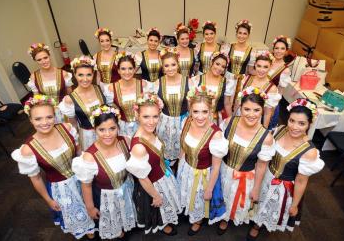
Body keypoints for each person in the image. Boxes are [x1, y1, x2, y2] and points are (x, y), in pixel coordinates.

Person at [11, 94, 95, 239]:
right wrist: (48, 200)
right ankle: (88, 230)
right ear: (30, 120)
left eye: (49, 117)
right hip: (61, 189)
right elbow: (36, 179)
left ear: (55, 115)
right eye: (38, 119)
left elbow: (79, 152)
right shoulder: (28, 149)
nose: (44, 122)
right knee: (81, 218)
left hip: (82, 178)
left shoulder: (67, 128)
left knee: (92, 206)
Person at [252, 98, 325, 238]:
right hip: (267, 175)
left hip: (283, 187)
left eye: (301, 123)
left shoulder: (309, 152)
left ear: (310, 124)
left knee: (271, 208)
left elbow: (301, 181)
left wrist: (295, 205)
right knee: (259, 200)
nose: (294, 127)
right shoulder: (279, 130)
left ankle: (260, 225)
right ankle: (255, 220)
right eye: (292, 121)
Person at [72, 105, 136, 240]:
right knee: (112, 217)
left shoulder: (126, 141)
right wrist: (90, 207)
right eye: (102, 129)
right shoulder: (89, 157)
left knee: (124, 212)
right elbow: (86, 185)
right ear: (95, 130)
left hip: (126, 187)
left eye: (112, 128)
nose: (108, 134)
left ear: (118, 127)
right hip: (106, 197)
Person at [218, 89, 274, 238]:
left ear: (262, 111)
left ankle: (230, 217)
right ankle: (223, 218)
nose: (251, 114)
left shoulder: (266, 137)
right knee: (223, 195)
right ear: (240, 108)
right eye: (247, 109)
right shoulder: (229, 122)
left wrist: (256, 188)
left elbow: (262, 165)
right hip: (224, 170)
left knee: (235, 199)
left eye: (256, 110)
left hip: (246, 176)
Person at [126, 93, 182, 235]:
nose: (151, 122)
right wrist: (156, 195)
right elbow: (143, 178)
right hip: (152, 185)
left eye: (155, 116)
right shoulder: (139, 147)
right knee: (158, 208)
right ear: (137, 115)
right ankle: (162, 225)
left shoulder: (150, 131)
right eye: (146, 117)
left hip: (163, 176)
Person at [177, 86, 229, 235]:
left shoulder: (216, 135)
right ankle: (188, 209)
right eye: (196, 111)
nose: (200, 116)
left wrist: (209, 189)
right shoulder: (187, 122)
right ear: (190, 111)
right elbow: (183, 145)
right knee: (186, 193)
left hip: (202, 175)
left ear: (211, 111)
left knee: (200, 198)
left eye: (204, 112)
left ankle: (198, 219)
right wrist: (181, 163)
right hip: (186, 167)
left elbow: (216, 167)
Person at [150, 48, 189, 164]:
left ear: (178, 64)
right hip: (164, 123)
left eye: (173, 64)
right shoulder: (157, 83)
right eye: (166, 66)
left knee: (182, 152)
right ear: (162, 67)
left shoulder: (188, 82)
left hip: (183, 122)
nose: (170, 68)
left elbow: (192, 106)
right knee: (165, 151)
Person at [59, 56, 106, 152]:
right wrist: (77, 143)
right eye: (80, 75)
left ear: (93, 75)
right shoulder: (69, 99)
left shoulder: (100, 88)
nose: (85, 79)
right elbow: (73, 124)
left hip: (106, 133)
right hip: (88, 137)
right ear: (75, 75)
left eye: (89, 75)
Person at [105, 52, 151, 138]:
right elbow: (111, 111)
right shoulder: (111, 88)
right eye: (123, 69)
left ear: (134, 69)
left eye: (130, 68)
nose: (127, 72)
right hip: (122, 128)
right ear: (118, 70)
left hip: (143, 127)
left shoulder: (143, 85)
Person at [26, 43, 72, 123]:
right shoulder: (34, 77)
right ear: (35, 61)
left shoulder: (63, 74)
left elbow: (70, 94)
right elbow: (37, 97)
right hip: (47, 114)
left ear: (49, 56)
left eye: (45, 57)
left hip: (64, 111)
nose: (44, 61)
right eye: (39, 60)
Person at [234, 52, 281, 129]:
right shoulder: (246, 79)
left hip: (254, 120)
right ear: (255, 65)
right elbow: (238, 102)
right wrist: (233, 118)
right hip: (240, 116)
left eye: (265, 67)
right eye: (259, 66)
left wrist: (263, 132)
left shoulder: (272, 88)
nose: (261, 70)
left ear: (270, 67)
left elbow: (267, 113)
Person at [190, 52, 235, 124]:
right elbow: (191, 102)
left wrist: (231, 121)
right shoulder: (196, 80)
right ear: (211, 62)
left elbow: (227, 103)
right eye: (217, 64)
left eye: (223, 66)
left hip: (215, 119)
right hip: (198, 117)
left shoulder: (227, 83)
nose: (219, 68)